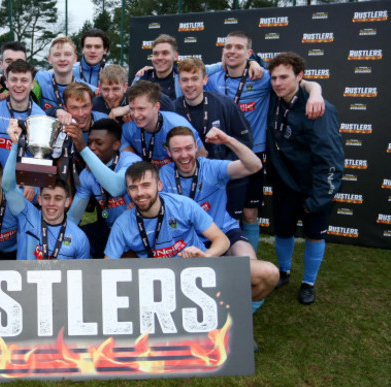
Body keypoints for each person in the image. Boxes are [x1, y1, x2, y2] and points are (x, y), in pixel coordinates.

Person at [206, 31, 326, 253]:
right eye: (228, 46)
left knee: (250, 214)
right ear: (222, 51)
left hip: (253, 154)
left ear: (249, 52)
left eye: (239, 47)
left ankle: (248, 266)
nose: (232, 51)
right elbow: (188, 73)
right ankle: (221, 257)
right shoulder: (211, 77)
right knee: (217, 208)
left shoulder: (262, 78)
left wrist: (316, 93)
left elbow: (300, 82)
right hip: (220, 154)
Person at [159, 126, 278, 309]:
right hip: (186, 240)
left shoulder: (211, 167)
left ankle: (238, 311)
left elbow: (254, 165)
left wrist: (228, 140)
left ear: (197, 146)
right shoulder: (162, 176)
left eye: (189, 148)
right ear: (168, 151)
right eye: (177, 150)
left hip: (223, 231)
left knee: (256, 273)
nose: (184, 155)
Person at [266, 52, 343, 305]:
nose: (278, 82)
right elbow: (241, 61)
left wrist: (319, 198)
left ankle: (308, 283)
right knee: (283, 231)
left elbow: (330, 160)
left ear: (299, 77)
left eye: (284, 77)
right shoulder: (273, 98)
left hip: (313, 189)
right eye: (274, 77)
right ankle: (284, 272)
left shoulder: (318, 108)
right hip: (284, 185)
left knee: (314, 235)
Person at [174, 57, 253, 220]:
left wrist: (223, 167)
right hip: (188, 181)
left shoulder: (224, 104)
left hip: (227, 177)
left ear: (205, 79)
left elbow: (245, 141)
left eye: (195, 79)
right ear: (179, 82)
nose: (190, 85)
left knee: (230, 226)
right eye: (185, 80)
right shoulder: (173, 109)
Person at [104, 161, 229, 259]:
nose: (140, 193)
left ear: (159, 185)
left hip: (193, 267)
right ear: (128, 191)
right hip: (156, 278)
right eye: (133, 188)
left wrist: (206, 256)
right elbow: (108, 264)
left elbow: (222, 240)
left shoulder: (183, 205)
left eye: (146, 185)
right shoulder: (122, 224)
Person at [4, 119, 91, 260]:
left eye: (58, 198)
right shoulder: (28, 215)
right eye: (46, 197)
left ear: (68, 202)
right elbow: (8, 187)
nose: (51, 203)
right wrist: (15, 145)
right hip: (26, 281)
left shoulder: (79, 237)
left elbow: (82, 279)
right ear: (39, 199)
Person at [66, 118, 142, 257]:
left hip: (138, 228)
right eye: (89, 143)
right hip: (111, 229)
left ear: (116, 145)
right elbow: (74, 216)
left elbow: (116, 187)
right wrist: (60, 239)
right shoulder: (87, 174)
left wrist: (83, 149)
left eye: (99, 143)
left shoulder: (131, 161)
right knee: (78, 237)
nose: (92, 147)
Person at [0, 60, 45, 168]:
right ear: (6, 82)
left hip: (27, 182)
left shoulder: (40, 117)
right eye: (14, 80)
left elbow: (42, 164)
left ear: (32, 84)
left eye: (24, 80)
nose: (18, 85)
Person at [121, 81, 202, 168]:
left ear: (156, 107)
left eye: (141, 109)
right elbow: (127, 158)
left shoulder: (178, 127)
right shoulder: (128, 128)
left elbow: (201, 155)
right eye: (132, 109)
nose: (136, 115)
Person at [35, 37, 96, 121]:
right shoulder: (40, 79)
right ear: (50, 59)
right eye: (57, 55)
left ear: (75, 59)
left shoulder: (89, 90)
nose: (62, 59)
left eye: (67, 54)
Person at [93, 64, 175, 124]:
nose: (110, 95)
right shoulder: (95, 104)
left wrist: (129, 108)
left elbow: (169, 105)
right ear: (100, 88)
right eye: (106, 89)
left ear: (125, 87)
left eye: (115, 89)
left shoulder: (135, 94)